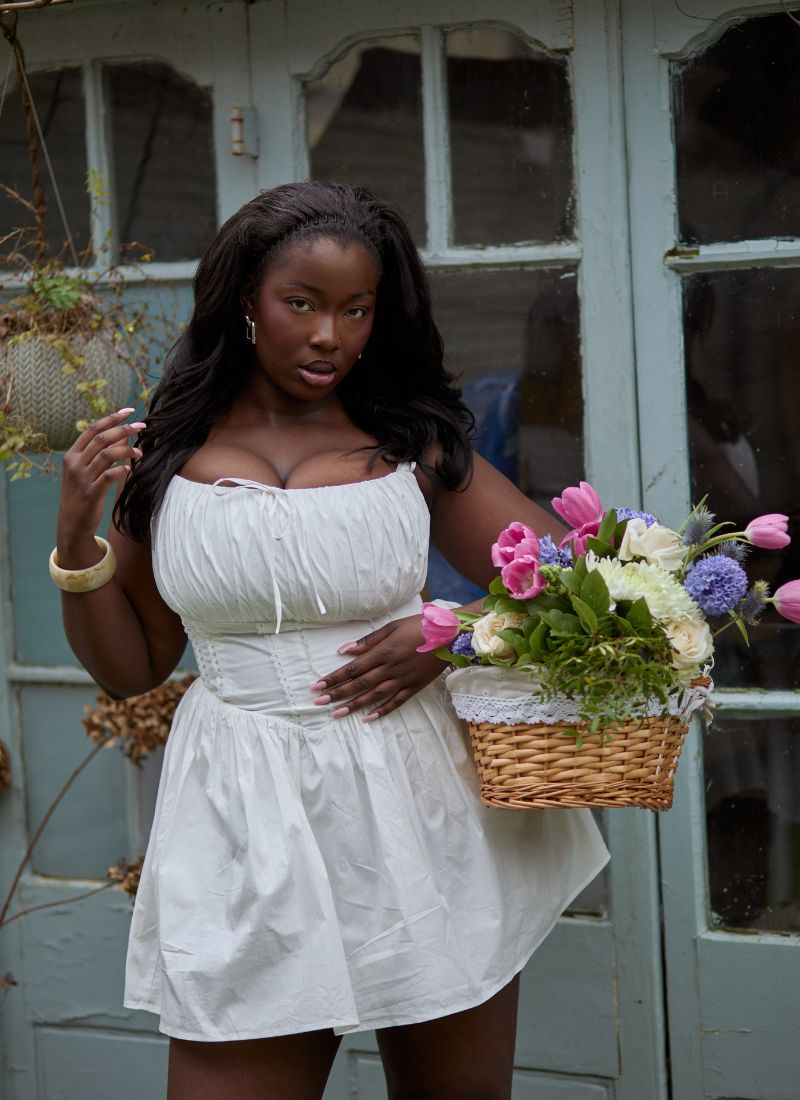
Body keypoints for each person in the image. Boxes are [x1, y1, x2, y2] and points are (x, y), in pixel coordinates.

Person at [53, 181, 608, 1100]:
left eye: (357, 310)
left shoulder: (414, 446)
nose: (329, 337)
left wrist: (452, 635)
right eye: (301, 303)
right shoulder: (165, 462)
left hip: (421, 803)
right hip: (242, 813)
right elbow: (132, 666)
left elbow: (568, 585)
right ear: (244, 299)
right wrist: (76, 541)